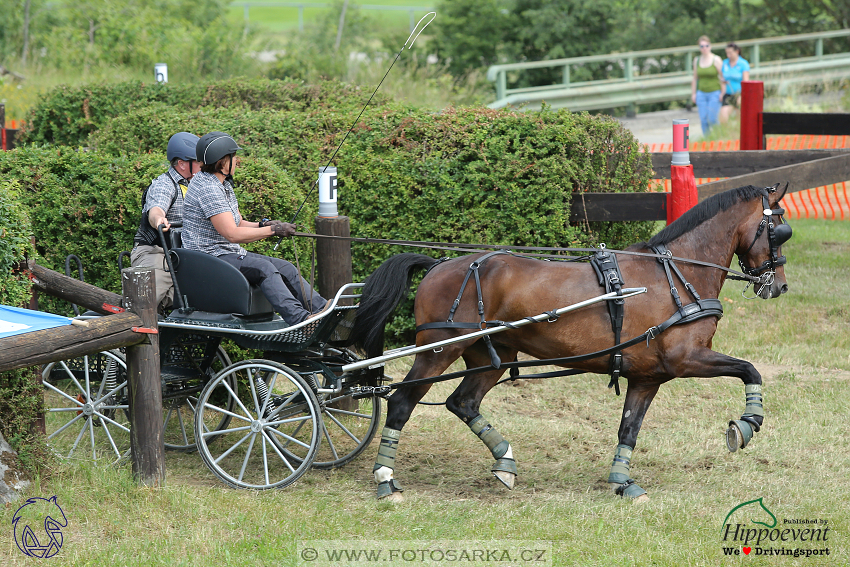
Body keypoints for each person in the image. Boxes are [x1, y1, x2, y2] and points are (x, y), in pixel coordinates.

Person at [182, 131, 327, 325]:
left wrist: (264, 224)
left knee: (287, 268)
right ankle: (301, 320)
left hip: (226, 254)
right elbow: (232, 234)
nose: (237, 161)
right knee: (264, 268)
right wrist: (273, 231)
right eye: (233, 157)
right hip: (210, 259)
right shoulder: (207, 188)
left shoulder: (222, 185)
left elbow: (238, 223)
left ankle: (321, 310)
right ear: (222, 162)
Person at [131, 132, 201, 310]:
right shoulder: (164, 184)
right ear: (182, 163)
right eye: (198, 162)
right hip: (156, 252)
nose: (202, 166)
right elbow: (156, 208)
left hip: (184, 257)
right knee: (144, 303)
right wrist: (159, 218)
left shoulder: (198, 186)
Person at [691, 35, 725, 136]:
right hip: (701, 93)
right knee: (703, 120)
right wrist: (693, 94)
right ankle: (707, 141)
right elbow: (695, 78)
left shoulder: (716, 59)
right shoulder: (697, 60)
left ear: (710, 46)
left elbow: (723, 78)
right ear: (699, 48)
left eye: (706, 45)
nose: (704, 48)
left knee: (712, 118)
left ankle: (719, 137)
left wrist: (722, 93)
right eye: (702, 46)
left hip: (714, 92)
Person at [719, 42, 751, 124]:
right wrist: (722, 93)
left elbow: (745, 81)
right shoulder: (725, 63)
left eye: (730, 53)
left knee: (740, 118)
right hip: (728, 93)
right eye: (727, 53)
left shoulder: (743, 64)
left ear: (736, 52)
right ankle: (725, 133)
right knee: (723, 117)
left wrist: (742, 95)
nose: (728, 55)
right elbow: (722, 79)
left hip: (739, 94)